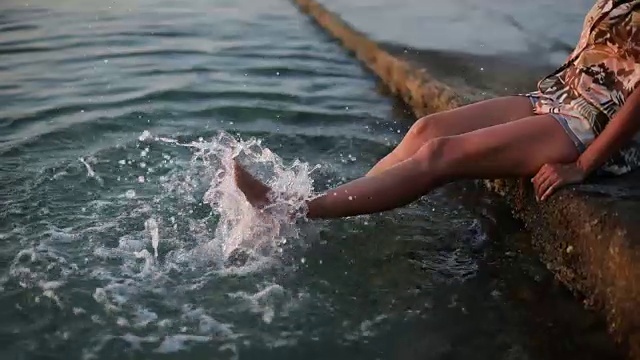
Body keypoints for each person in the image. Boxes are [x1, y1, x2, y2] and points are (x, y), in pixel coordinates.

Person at [234, 0, 640, 220]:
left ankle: (297, 211)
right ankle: (342, 206)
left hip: (589, 123)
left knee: (438, 155)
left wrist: (583, 165)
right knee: (426, 130)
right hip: (557, 97)